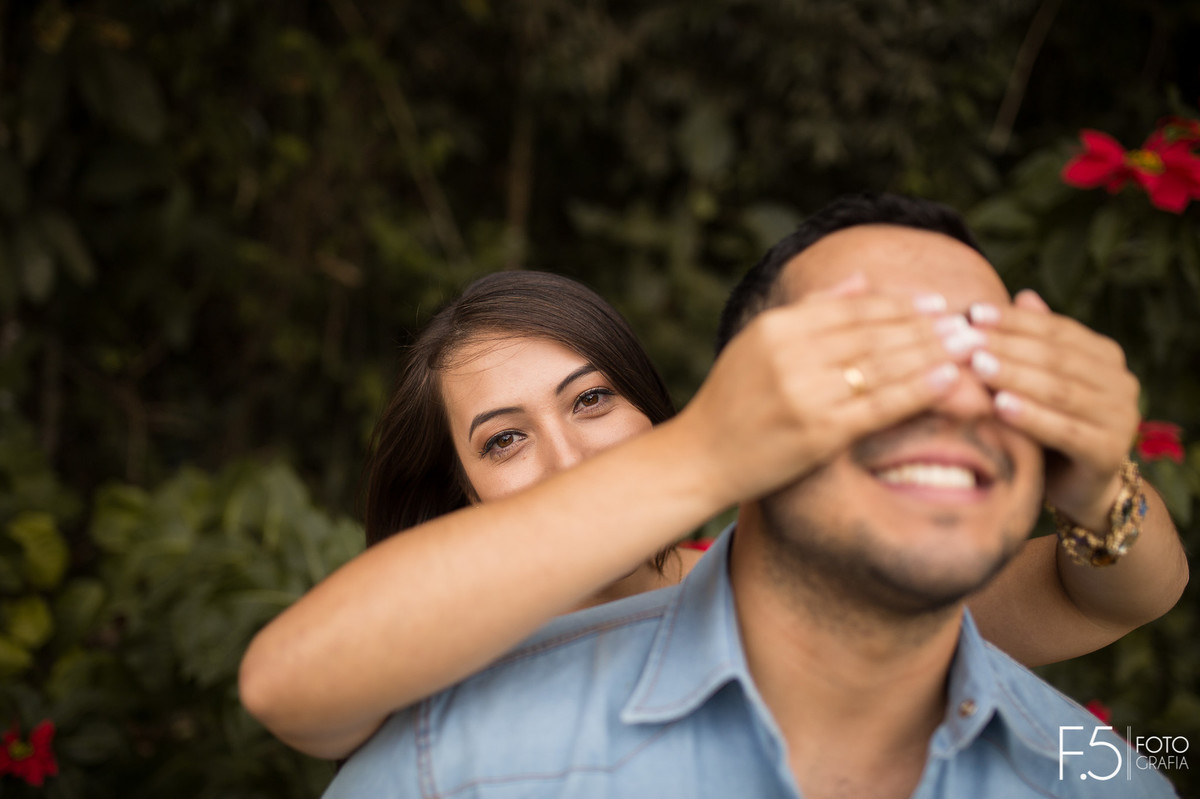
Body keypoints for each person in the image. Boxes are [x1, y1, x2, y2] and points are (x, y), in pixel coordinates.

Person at [315, 193, 1182, 798]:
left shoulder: (792, 581)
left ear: (657, 412)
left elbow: (1115, 594)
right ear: (461, 492)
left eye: (592, 399)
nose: (570, 455)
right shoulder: (434, 680)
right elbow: (301, 694)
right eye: (504, 439)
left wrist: (1097, 479)